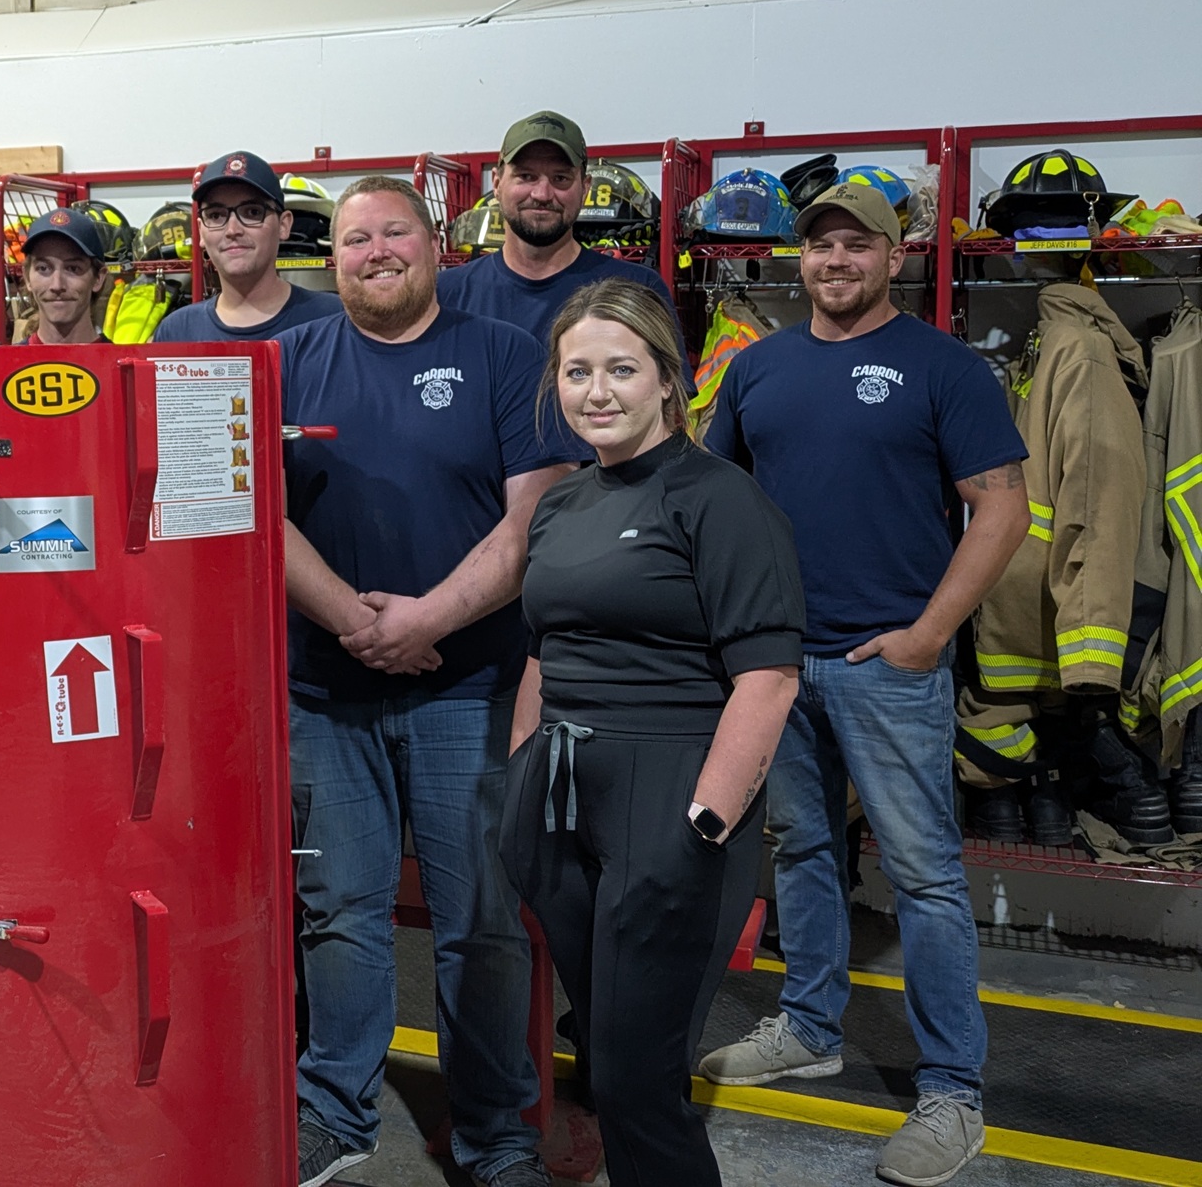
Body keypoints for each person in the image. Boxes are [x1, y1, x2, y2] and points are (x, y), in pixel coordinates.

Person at [699, 179, 1029, 1187]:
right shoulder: (754, 369)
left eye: (856, 245)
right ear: (794, 260)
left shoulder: (942, 367)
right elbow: (717, 501)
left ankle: (950, 1090)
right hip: (778, 660)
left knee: (922, 874)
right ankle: (807, 1024)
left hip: (885, 666)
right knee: (798, 846)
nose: (834, 261)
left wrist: (926, 635)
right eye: (818, 246)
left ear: (894, 256)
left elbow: (1002, 508)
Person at [280, 176, 560, 1187]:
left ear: (435, 242)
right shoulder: (283, 362)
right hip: (320, 690)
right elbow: (246, 509)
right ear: (332, 258)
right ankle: (334, 1112)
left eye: (393, 230)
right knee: (338, 909)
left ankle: (496, 1135)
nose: (374, 250)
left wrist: (425, 621)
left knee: (480, 919)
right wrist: (356, 621)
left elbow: (535, 517)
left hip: (467, 686)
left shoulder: (503, 355)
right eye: (353, 238)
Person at [504, 279, 803, 1187]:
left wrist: (704, 825)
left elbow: (769, 675)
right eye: (577, 370)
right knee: (604, 1059)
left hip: (669, 800)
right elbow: (543, 652)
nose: (598, 390)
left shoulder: (719, 499)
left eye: (621, 369)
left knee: (639, 1080)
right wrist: (520, 778)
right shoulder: (560, 503)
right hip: (561, 801)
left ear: (669, 382)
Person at [440, 110, 682, 475]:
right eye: (525, 176)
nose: (542, 193)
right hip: (476, 510)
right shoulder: (446, 293)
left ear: (585, 187)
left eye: (560, 178)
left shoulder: (638, 289)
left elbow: (671, 416)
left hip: (606, 507)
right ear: (497, 181)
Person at [154, 150, 340, 342]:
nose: (232, 230)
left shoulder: (334, 320)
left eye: (252, 212)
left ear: (284, 225)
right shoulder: (176, 332)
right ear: (201, 231)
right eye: (216, 215)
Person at [17, 207, 111, 345]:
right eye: (43, 268)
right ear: (27, 277)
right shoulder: (6, 365)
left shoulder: (118, 364)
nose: (57, 285)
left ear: (98, 278)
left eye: (72, 268)